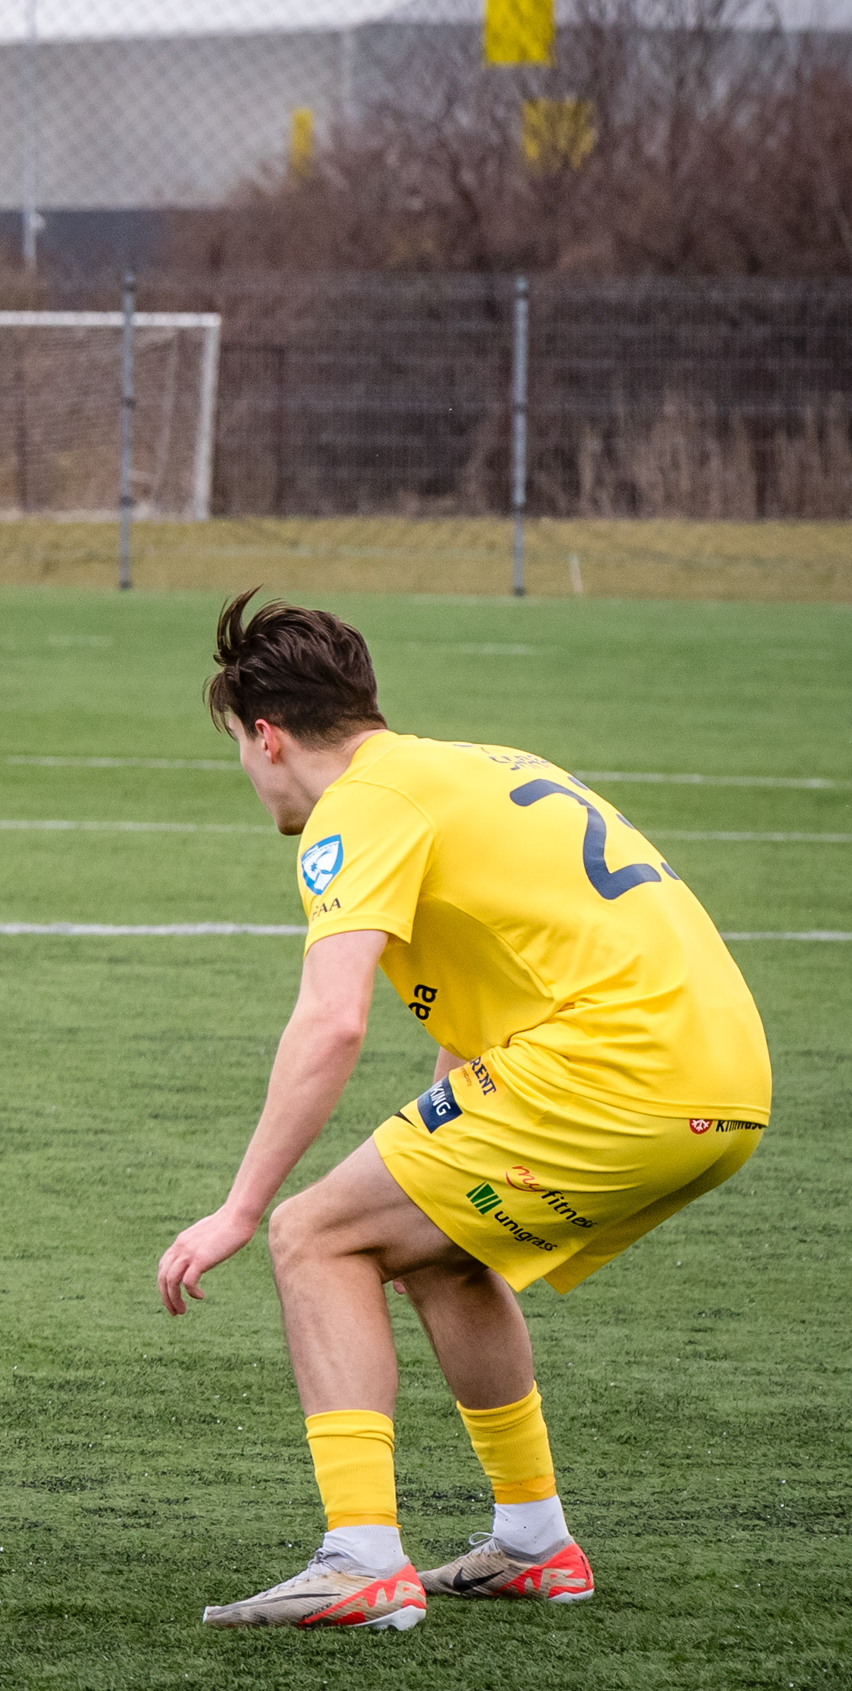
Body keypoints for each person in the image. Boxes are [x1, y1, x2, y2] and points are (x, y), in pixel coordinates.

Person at [162, 590, 772, 1631]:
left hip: (612, 1066)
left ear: (267, 736)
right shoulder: (479, 763)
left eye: (237, 744)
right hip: (721, 1078)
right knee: (441, 1241)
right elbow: (492, 985)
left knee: (315, 1235)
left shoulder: (361, 806)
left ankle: (359, 1556)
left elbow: (331, 1022)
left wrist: (239, 1206)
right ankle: (535, 1542)